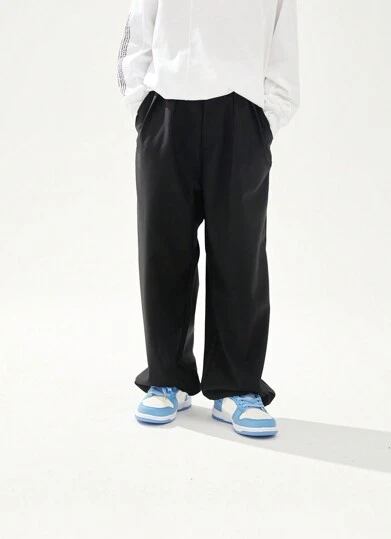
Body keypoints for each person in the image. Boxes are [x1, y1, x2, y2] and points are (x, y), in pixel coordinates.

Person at [117, 0, 299, 437]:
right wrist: (143, 108)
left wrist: (266, 120)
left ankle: (237, 387)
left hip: (242, 115)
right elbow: (137, 31)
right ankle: (167, 378)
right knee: (163, 250)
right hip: (167, 110)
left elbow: (283, 43)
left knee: (240, 256)